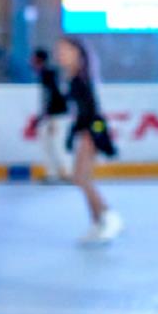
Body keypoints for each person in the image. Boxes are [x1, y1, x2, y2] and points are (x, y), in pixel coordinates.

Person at [57, 37, 123, 244]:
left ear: (77, 52)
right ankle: (96, 222)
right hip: (85, 130)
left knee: (82, 178)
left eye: (65, 50)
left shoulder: (81, 77)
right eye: (59, 50)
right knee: (80, 178)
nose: (60, 54)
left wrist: (92, 135)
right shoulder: (73, 76)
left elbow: (91, 111)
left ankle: (109, 216)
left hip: (90, 132)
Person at [31, 48, 71, 183]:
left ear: (38, 60)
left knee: (57, 143)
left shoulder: (49, 74)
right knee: (47, 143)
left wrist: (51, 117)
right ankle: (52, 173)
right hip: (51, 115)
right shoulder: (47, 73)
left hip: (56, 115)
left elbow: (54, 95)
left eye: (33, 59)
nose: (31, 62)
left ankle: (67, 172)